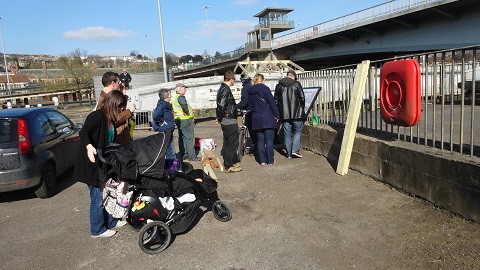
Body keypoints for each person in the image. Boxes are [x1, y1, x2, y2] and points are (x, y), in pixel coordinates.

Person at [75, 90, 128, 238]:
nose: (122, 109)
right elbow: (83, 132)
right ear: (113, 104)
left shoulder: (110, 119)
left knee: (108, 194)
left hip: (104, 164)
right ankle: (97, 229)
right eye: (121, 106)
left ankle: (110, 221)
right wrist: (89, 146)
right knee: (98, 198)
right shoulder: (97, 116)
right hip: (91, 164)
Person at [96, 71, 136, 147]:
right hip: (117, 140)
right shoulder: (105, 100)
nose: (119, 84)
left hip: (121, 137)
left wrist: (122, 95)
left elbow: (119, 111)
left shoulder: (109, 97)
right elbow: (111, 119)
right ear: (113, 83)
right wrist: (129, 111)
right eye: (118, 82)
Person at [248, 73, 279, 165]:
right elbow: (272, 103)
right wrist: (276, 115)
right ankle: (270, 160)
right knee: (269, 140)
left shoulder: (250, 91)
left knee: (260, 140)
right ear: (262, 80)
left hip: (256, 118)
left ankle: (262, 160)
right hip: (267, 117)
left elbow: (250, 106)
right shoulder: (265, 89)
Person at [274, 70, 306, 159]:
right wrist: (301, 108)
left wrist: (278, 112)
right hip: (297, 114)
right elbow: (302, 98)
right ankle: (295, 150)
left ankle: (288, 154)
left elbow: (275, 100)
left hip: (284, 115)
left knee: (287, 134)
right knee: (298, 132)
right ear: (293, 77)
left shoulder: (279, 86)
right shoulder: (296, 84)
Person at [216, 70, 242, 173]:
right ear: (231, 80)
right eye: (234, 79)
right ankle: (229, 165)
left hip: (226, 119)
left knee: (227, 142)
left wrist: (219, 117)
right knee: (233, 144)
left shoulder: (222, 88)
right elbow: (222, 105)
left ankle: (229, 162)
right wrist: (220, 117)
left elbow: (220, 105)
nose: (234, 81)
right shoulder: (225, 89)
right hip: (229, 120)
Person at [172, 83, 200, 161]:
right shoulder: (181, 97)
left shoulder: (174, 97)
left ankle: (184, 154)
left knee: (182, 137)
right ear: (180, 89)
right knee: (189, 138)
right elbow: (184, 105)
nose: (185, 90)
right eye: (184, 88)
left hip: (179, 119)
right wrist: (187, 112)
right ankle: (192, 155)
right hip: (185, 119)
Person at [152, 88, 176, 161]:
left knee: (168, 148)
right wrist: (162, 121)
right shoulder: (162, 105)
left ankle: (169, 166)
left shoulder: (166, 105)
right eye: (170, 94)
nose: (171, 96)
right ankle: (172, 168)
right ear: (166, 96)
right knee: (170, 150)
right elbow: (155, 116)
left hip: (168, 129)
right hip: (166, 130)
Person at [237, 74, 257, 154]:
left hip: (248, 111)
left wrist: (236, 106)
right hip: (256, 110)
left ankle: (256, 147)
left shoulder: (245, 88)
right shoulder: (253, 86)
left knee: (251, 130)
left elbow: (244, 101)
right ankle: (258, 146)